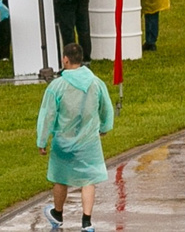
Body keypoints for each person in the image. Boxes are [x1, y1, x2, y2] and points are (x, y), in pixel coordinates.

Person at [35, 42, 113, 231]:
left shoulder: (57, 86)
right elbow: (106, 107)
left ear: (65, 59)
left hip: (64, 142)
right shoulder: (96, 82)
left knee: (60, 178)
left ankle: (58, 213)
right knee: (88, 180)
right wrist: (104, 126)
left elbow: (47, 115)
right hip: (89, 141)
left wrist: (42, 140)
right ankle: (86, 222)